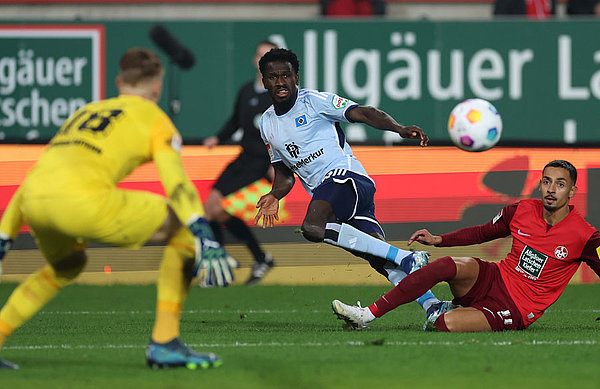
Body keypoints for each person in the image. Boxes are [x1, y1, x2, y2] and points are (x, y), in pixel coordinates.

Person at [0, 47, 236, 370]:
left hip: (31, 204)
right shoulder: (156, 119)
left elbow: (36, 176)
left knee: (68, 264)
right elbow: (176, 183)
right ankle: (165, 343)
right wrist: (202, 232)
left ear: (118, 82)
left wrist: (4, 235)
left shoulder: (83, 113)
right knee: (180, 227)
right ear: (157, 88)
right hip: (82, 203)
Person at [253, 48, 449, 322]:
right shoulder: (267, 124)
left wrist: (399, 129)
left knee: (313, 227)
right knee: (380, 258)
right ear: (264, 81)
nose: (280, 82)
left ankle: (406, 257)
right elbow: (284, 174)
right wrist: (275, 194)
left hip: (346, 178)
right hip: (334, 194)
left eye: (286, 75)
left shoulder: (314, 101)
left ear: (296, 77)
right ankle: (433, 306)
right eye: (273, 77)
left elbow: (364, 113)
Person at [332, 160, 600, 332]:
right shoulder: (522, 210)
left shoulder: (584, 235)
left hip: (516, 308)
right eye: (546, 181)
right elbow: (484, 232)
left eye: (560, 184)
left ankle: (445, 311)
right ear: (540, 184)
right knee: (446, 265)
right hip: (496, 277)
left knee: (443, 325)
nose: (551, 189)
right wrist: (440, 240)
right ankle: (366, 315)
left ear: (573, 191)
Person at [203, 40, 277, 285]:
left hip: (261, 162)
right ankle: (259, 258)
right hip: (244, 157)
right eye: (258, 55)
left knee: (213, 209)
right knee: (212, 210)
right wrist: (218, 137)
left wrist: (276, 164)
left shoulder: (277, 94)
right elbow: (235, 120)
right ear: (254, 60)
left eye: (267, 55)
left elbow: (282, 131)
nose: (261, 59)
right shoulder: (246, 90)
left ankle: (219, 265)